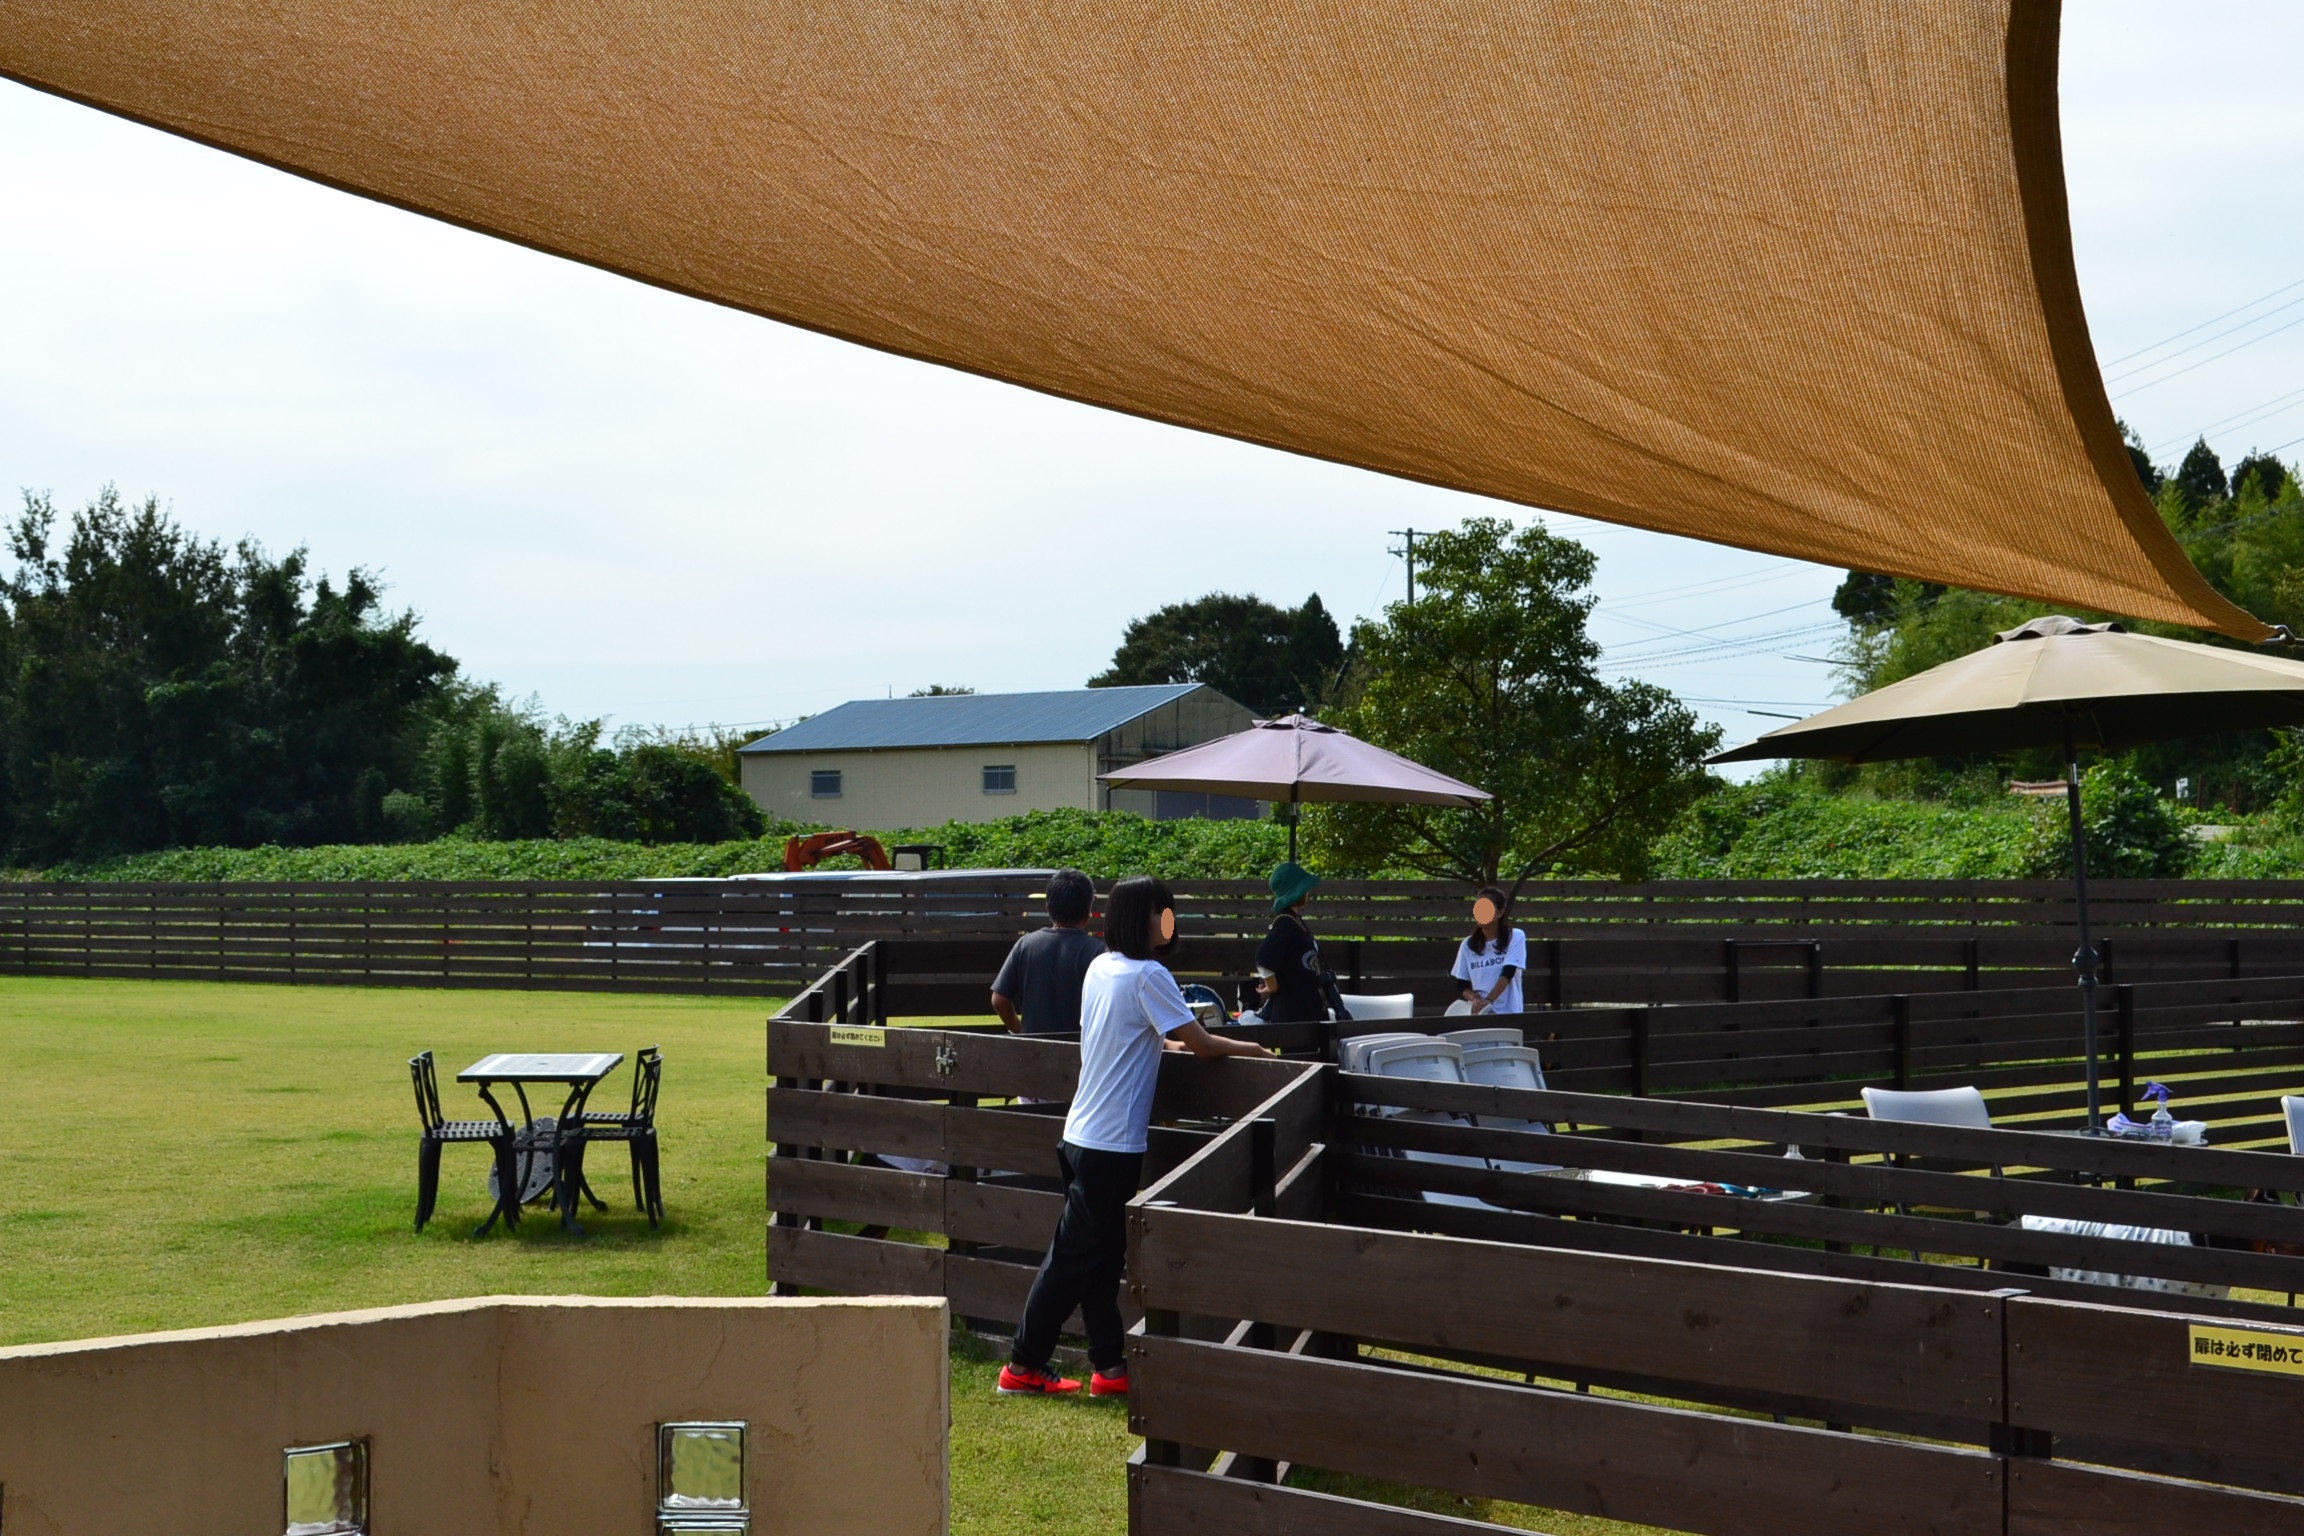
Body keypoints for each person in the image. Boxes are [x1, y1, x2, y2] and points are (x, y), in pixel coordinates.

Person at [999, 875, 1275, 1397]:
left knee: (1099, 1260)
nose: (1167, 921)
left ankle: (1110, 1368)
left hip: (1081, 1134)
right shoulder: (1150, 975)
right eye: (1161, 912)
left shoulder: (1103, 967)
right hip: (1110, 1145)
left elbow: (1139, 1036)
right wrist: (1254, 1051)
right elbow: (1201, 1044)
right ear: (1141, 918)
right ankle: (1023, 1364)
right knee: (1071, 1260)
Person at [990, 869, 1104, 1034]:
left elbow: (999, 1001)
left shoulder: (1026, 945)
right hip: (1080, 1051)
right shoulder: (1098, 952)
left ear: (1048, 908)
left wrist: (1018, 1029)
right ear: (1088, 912)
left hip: (1034, 1050)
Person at [1254, 860, 1347, 1023]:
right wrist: (1273, 986)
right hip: (1293, 1016)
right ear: (1298, 892)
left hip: (1307, 1011)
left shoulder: (1294, 921)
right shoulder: (1285, 923)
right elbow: (1263, 958)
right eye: (1305, 890)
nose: (1308, 893)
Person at [1452, 885, 1528, 1015]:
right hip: (1480, 1016)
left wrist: (1489, 1000)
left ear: (1500, 912)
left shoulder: (1515, 936)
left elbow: (1508, 972)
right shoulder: (1467, 945)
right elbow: (1462, 984)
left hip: (1509, 1015)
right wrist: (1476, 1000)